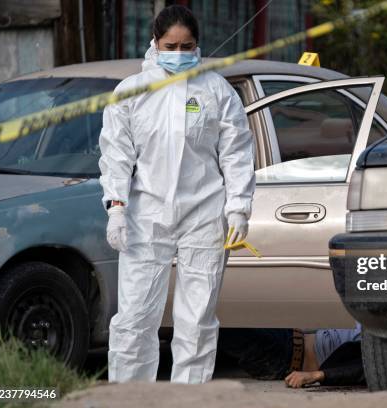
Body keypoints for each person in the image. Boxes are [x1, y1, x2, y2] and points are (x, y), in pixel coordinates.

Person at [98, 5, 255, 384]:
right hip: (146, 213)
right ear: (155, 42)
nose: (180, 52)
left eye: (187, 45)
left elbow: (236, 153)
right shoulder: (132, 92)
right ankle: (130, 397)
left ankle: (189, 398)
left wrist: (238, 209)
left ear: (198, 45)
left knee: (197, 319)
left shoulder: (215, 90)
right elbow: (116, 155)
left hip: (204, 213)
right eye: (171, 45)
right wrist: (116, 208)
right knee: (135, 316)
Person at [218, 322, 364, 388]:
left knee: (215, 323)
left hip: (285, 358)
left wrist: (316, 375)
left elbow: (362, 369)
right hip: (287, 337)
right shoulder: (376, 313)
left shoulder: (381, 346)